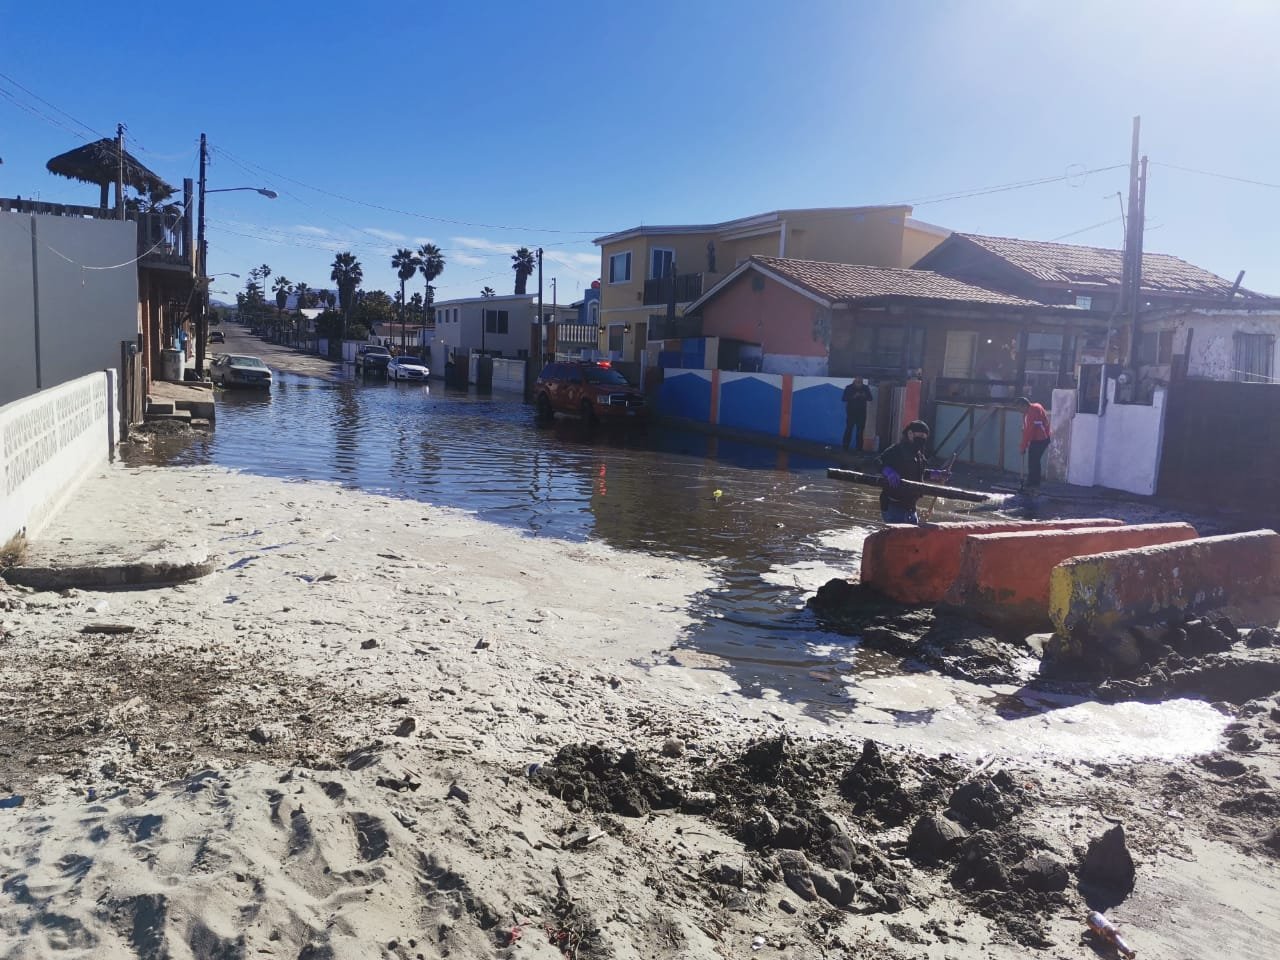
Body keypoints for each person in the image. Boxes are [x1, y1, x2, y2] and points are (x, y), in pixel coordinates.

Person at [877, 420, 948, 524]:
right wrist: (888, 471)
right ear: (910, 434)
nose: (922, 439)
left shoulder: (919, 455)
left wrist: (936, 474)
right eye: (920, 435)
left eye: (925, 437)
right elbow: (877, 462)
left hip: (910, 507)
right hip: (893, 506)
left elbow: (920, 473)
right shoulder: (897, 450)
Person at [1016, 396, 1052, 494]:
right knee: (1033, 460)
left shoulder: (1032, 412)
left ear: (1024, 406)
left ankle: (1034, 483)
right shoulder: (1033, 408)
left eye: (1019, 408)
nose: (1018, 410)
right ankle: (1032, 482)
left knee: (1034, 460)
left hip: (1041, 439)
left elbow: (1029, 431)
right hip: (1039, 438)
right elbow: (1027, 429)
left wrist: (1023, 447)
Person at [841, 378, 874, 452]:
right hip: (851, 412)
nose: (859, 384)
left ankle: (859, 449)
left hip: (861, 413)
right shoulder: (849, 388)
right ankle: (845, 447)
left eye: (861, 383)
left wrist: (864, 396)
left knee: (860, 431)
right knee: (849, 430)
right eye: (858, 382)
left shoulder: (865, 388)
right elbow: (843, 399)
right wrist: (853, 397)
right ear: (854, 382)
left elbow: (870, 398)